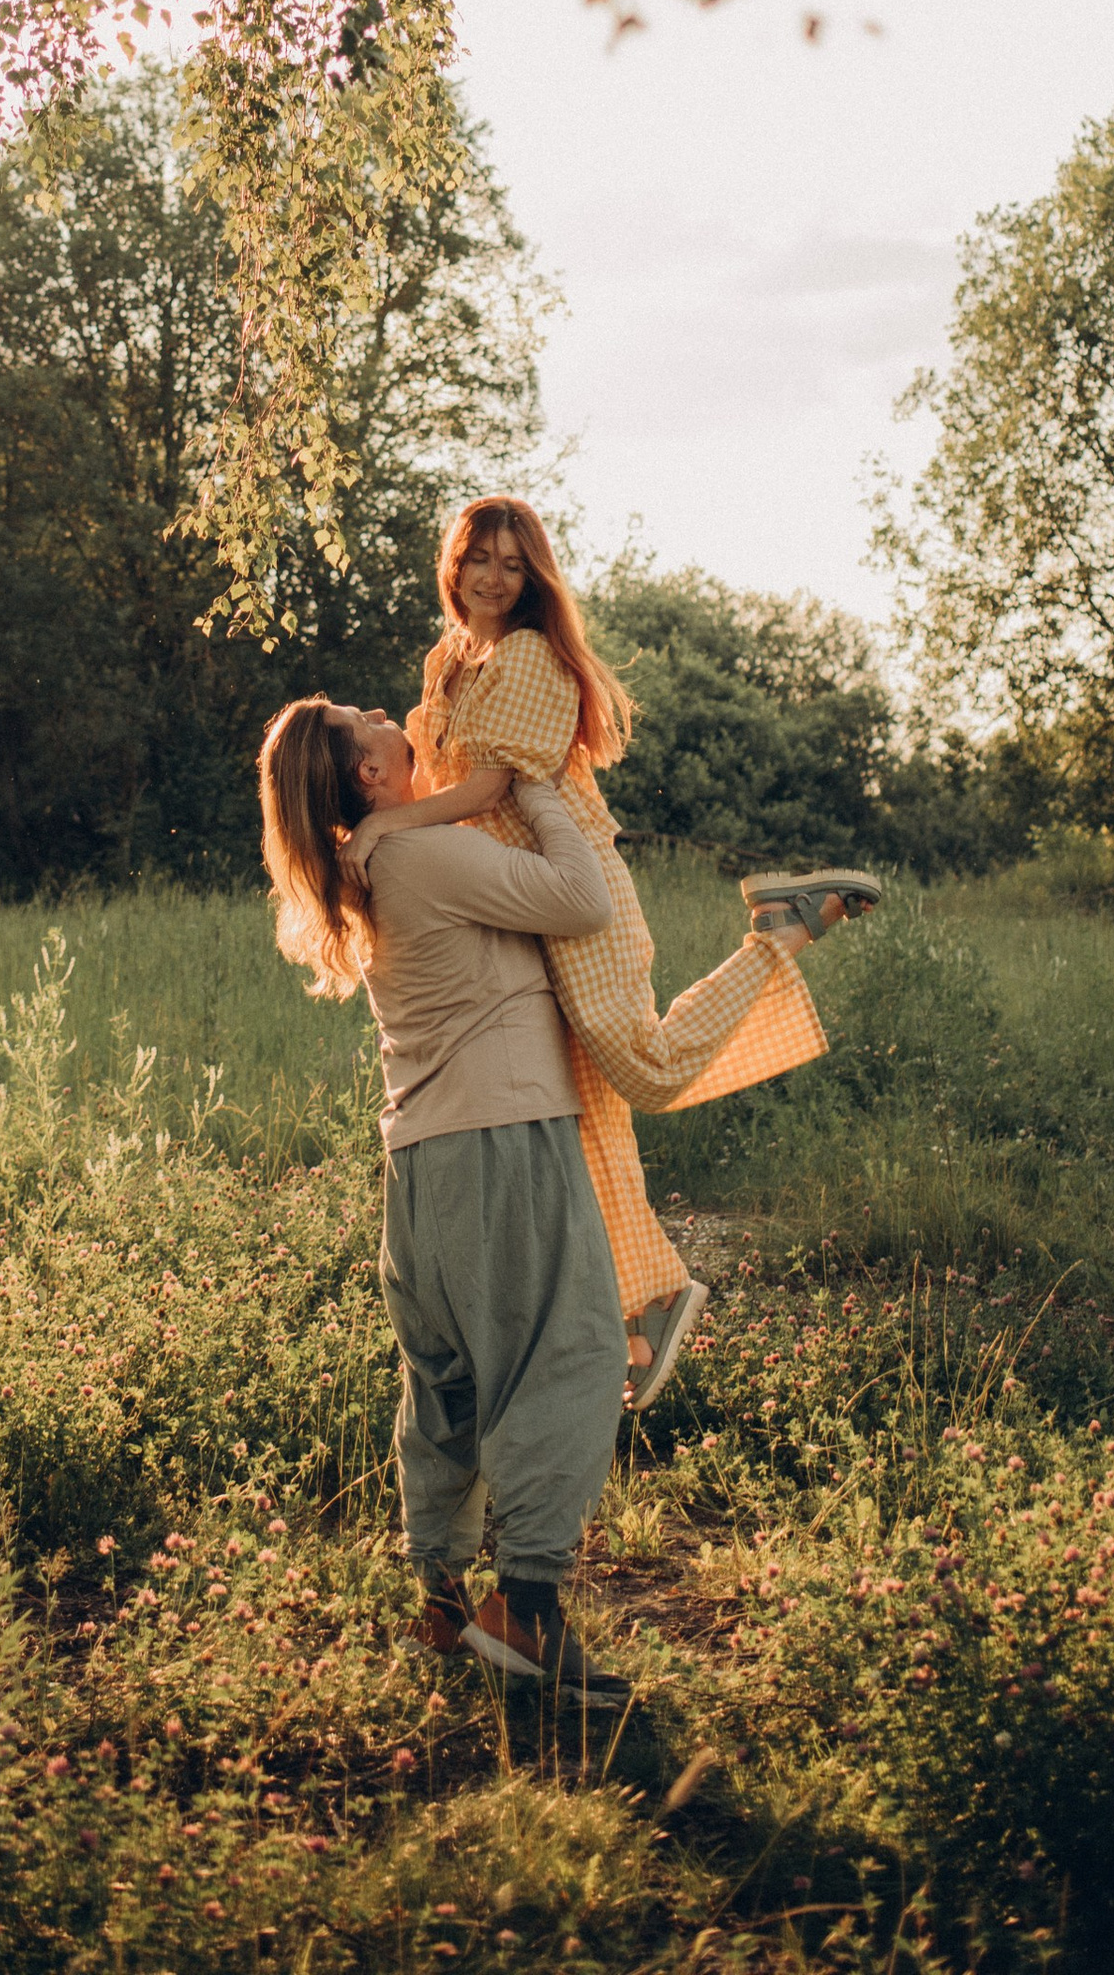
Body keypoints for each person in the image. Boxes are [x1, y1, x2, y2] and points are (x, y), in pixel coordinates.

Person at [345, 497, 876, 1408]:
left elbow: (486, 786)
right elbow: (438, 786)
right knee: (582, 1120)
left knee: (649, 1070)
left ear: (535, 577)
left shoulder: (527, 658)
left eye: (515, 564)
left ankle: (780, 931)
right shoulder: (447, 664)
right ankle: (641, 1310)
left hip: (574, 891)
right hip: (514, 905)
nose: (495, 578)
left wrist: (384, 828)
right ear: (454, 561)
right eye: (481, 558)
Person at [256, 689, 635, 1698]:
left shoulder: (372, 856)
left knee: (450, 1384)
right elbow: (580, 898)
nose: (381, 707)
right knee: (571, 1352)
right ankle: (529, 1604)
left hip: (422, 1161)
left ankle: (442, 1605)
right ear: (372, 773)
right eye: (356, 714)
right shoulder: (418, 855)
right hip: (500, 1137)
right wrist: (542, 784)